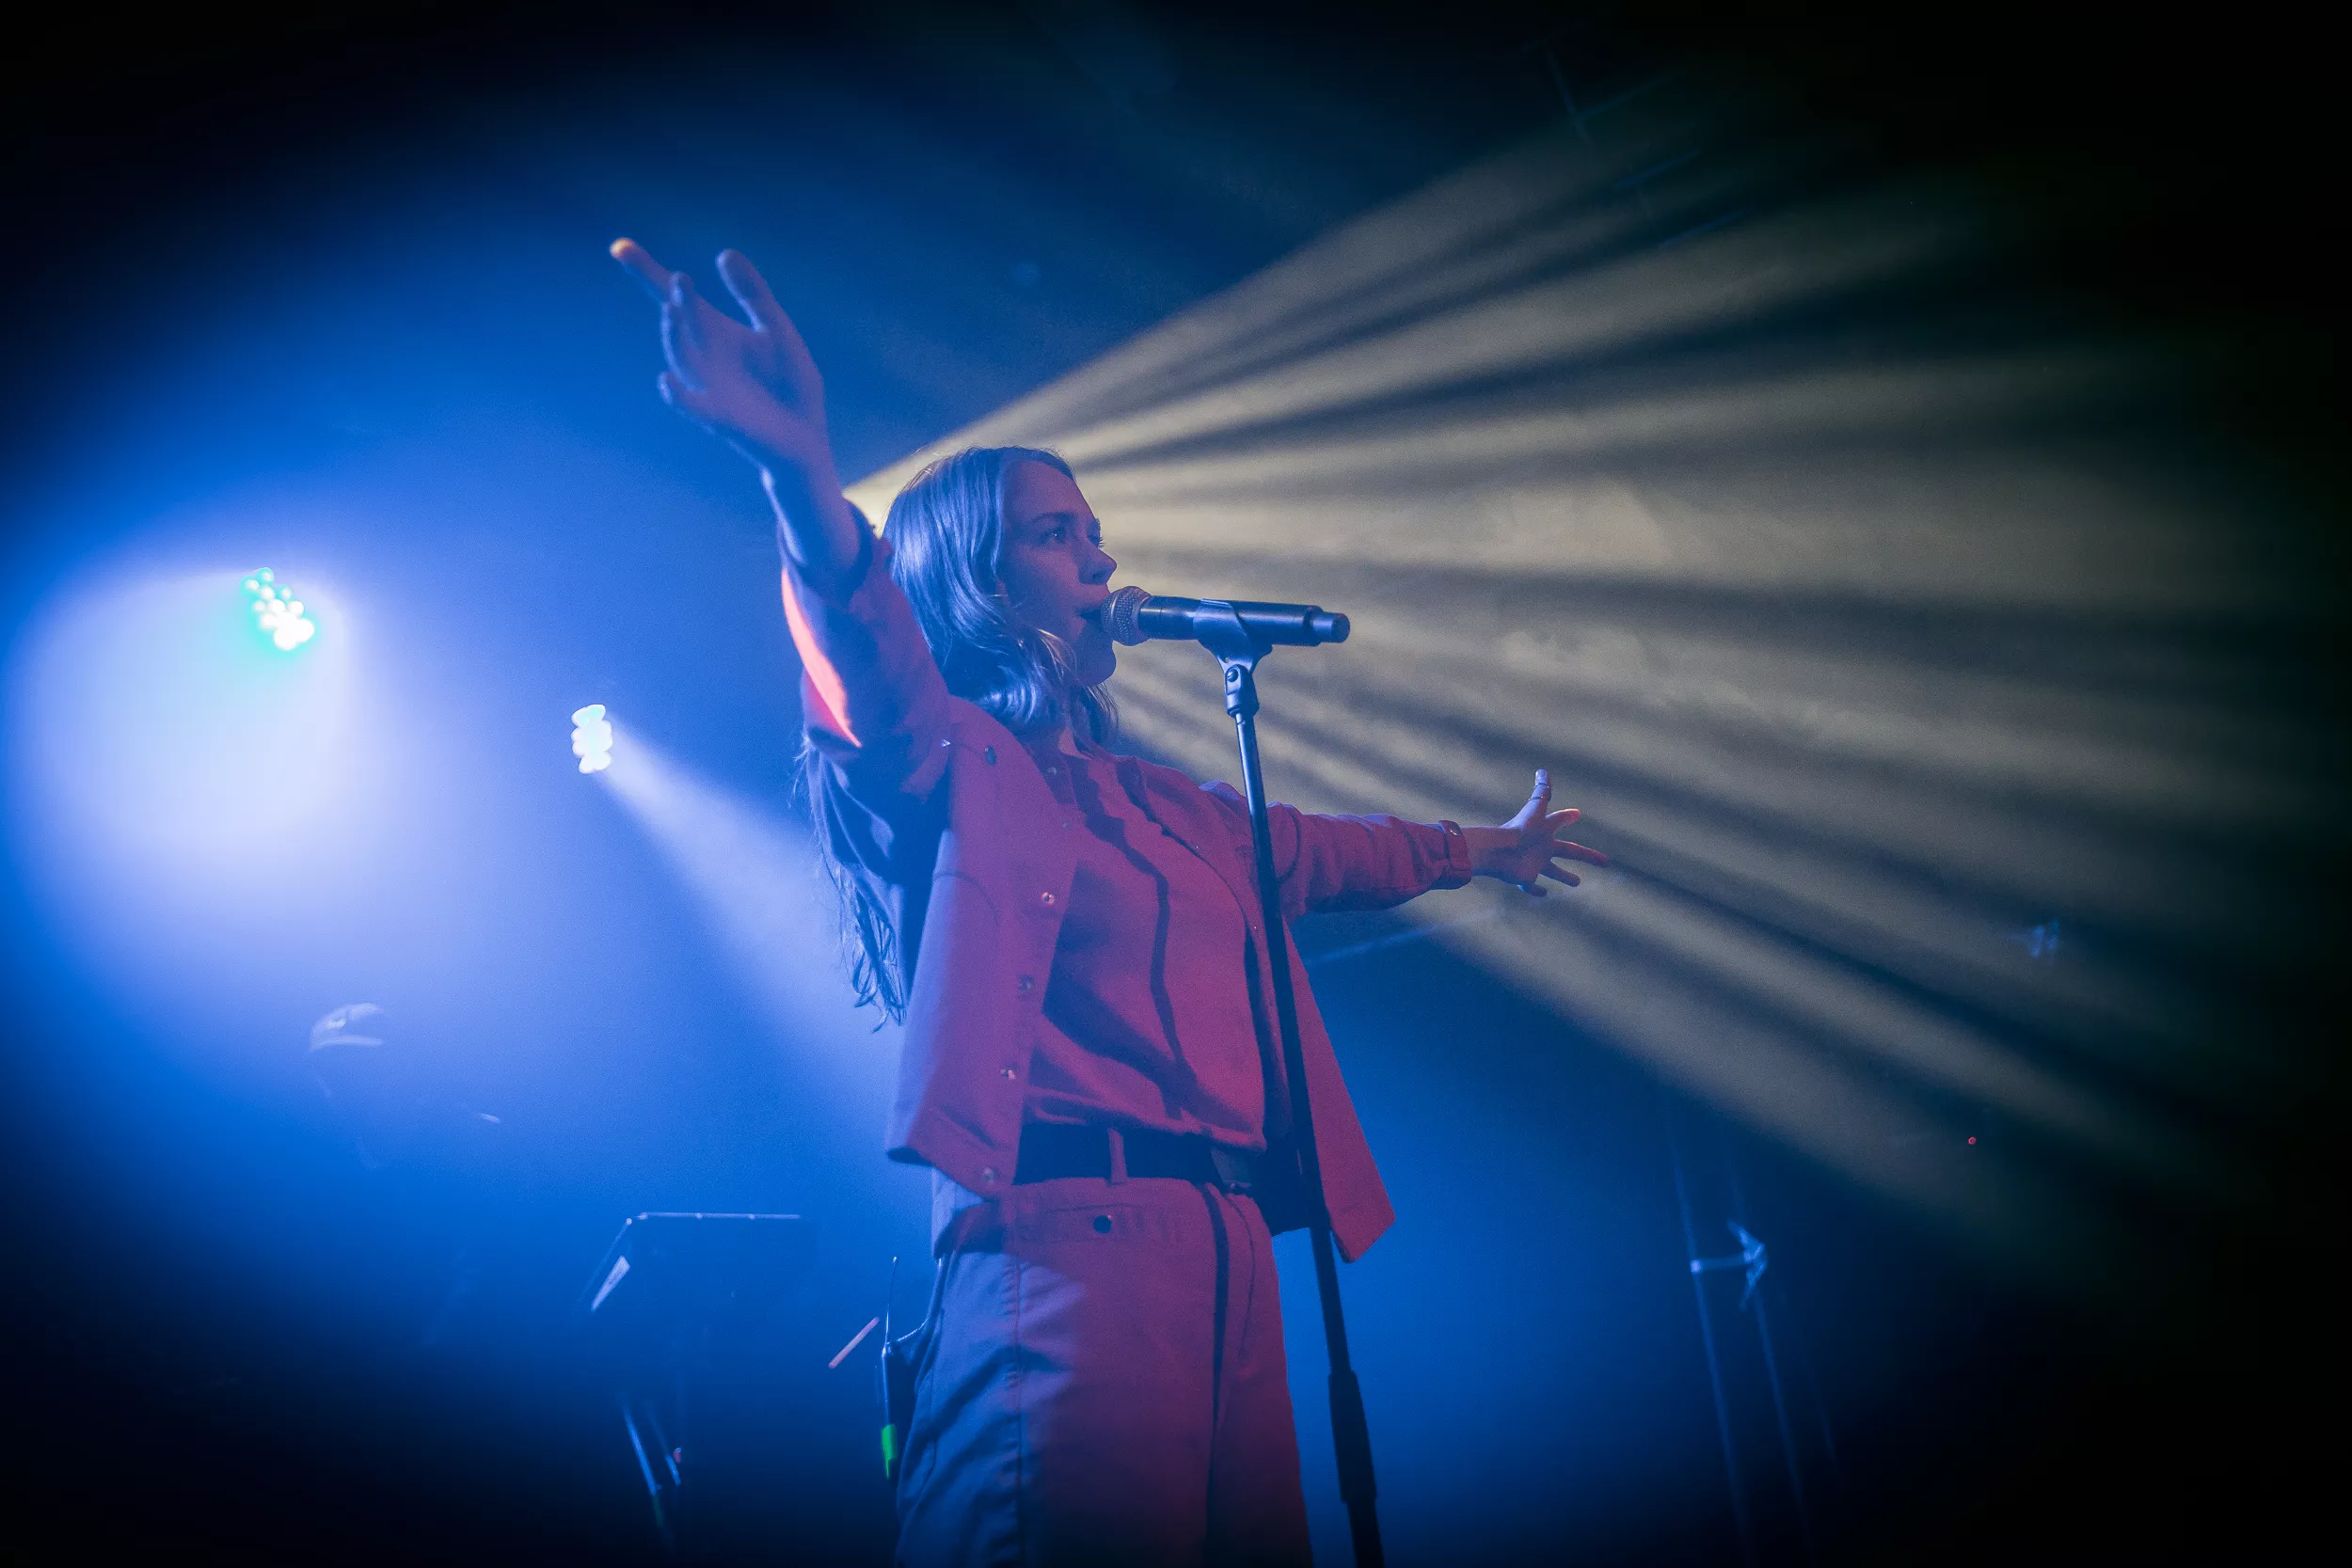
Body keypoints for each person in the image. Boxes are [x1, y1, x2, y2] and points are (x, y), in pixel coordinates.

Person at [612, 239, 1606, 1567]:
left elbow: (1320, 852)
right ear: (980, 579)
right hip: (1067, 1252)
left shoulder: (1168, 804)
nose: (1099, 554)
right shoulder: (955, 759)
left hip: (1232, 1250)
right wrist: (799, 474)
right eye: (1056, 533)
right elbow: (868, 657)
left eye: (1093, 529)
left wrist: (1484, 848)